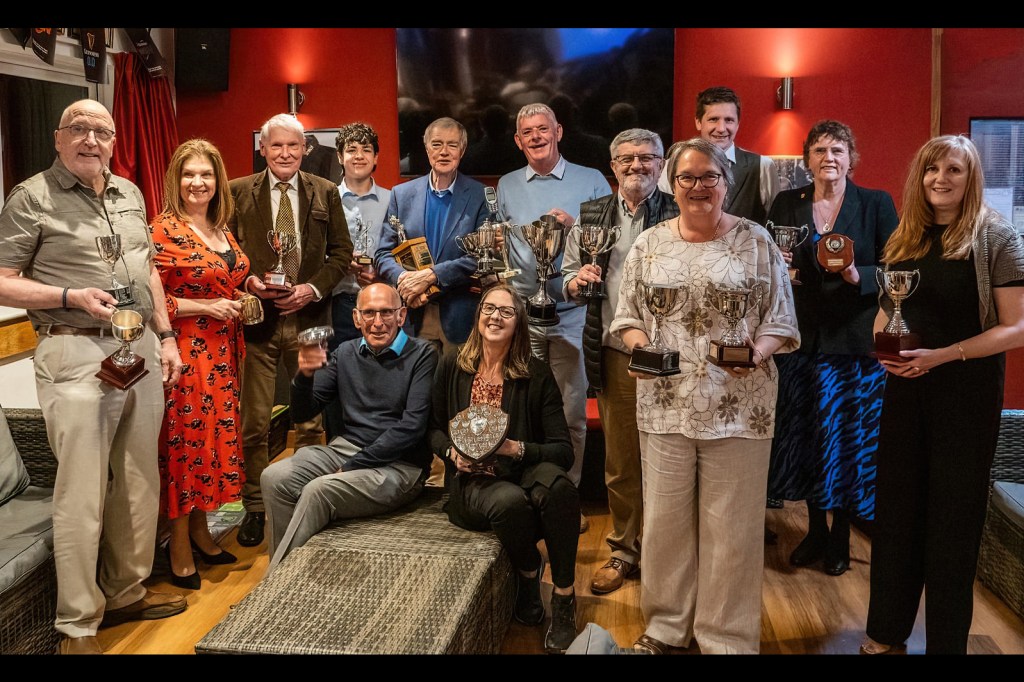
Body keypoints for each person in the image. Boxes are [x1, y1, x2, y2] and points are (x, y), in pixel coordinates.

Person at [0, 99, 187, 654]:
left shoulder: (129, 192)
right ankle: (77, 625)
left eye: (101, 131)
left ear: (113, 141)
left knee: (138, 481)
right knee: (81, 493)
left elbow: (147, 268)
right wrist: (68, 296)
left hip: (139, 348)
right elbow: (2, 279)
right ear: (58, 138)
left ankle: (125, 592)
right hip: (75, 350)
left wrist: (166, 335)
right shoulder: (32, 196)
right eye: (78, 129)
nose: (90, 139)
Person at [610, 137, 799, 654]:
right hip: (665, 403)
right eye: (687, 178)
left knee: (732, 529)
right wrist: (643, 349)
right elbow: (627, 318)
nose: (698, 187)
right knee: (665, 525)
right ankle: (667, 628)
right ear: (672, 186)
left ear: (725, 183)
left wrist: (757, 353)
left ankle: (726, 639)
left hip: (741, 405)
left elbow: (782, 320)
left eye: (708, 177)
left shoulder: (756, 241)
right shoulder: (650, 243)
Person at [862, 135, 1024, 655]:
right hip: (906, 389)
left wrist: (942, 356)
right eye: (932, 169)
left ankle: (946, 644)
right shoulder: (906, 235)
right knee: (897, 512)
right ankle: (885, 632)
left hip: (966, 394)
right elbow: (888, 311)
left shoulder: (996, 236)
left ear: (971, 177)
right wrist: (883, 350)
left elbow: (1016, 327)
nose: (941, 179)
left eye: (954, 169)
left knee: (953, 520)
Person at [765, 121, 898, 576]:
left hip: (853, 345)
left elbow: (899, 267)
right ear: (807, 159)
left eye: (838, 150)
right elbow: (769, 259)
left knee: (845, 441)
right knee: (805, 437)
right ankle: (815, 531)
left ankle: (841, 533)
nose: (829, 158)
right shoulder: (787, 202)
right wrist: (779, 263)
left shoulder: (876, 203)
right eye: (820, 149)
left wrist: (861, 275)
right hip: (800, 341)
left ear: (850, 157)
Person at [429, 284, 580, 654]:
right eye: (488, 308)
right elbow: (432, 429)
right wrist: (452, 454)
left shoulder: (536, 373)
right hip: (473, 480)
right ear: (478, 314)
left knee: (560, 489)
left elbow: (563, 451)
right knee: (509, 502)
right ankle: (528, 571)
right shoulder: (452, 363)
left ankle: (564, 598)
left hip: (522, 467)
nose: (495, 317)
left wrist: (515, 448)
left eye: (506, 311)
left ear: (519, 323)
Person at [562, 128, 679, 595]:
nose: (636, 166)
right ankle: (624, 550)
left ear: (661, 164)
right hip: (615, 353)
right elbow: (567, 277)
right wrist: (575, 283)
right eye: (626, 158)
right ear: (612, 166)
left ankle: (666, 553)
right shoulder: (591, 215)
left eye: (647, 158)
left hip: (675, 356)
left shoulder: (681, 209)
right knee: (622, 461)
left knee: (673, 457)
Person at [228, 113, 352, 548]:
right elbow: (226, 252)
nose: (285, 153)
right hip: (257, 326)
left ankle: (304, 499)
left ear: (305, 149)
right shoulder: (237, 191)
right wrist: (247, 281)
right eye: (276, 146)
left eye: (293, 146)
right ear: (262, 149)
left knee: (311, 419)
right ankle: (255, 507)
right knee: (254, 423)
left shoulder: (326, 191)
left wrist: (311, 289)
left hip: (310, 324)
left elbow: (342, 252)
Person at [262, 283, 437, 573]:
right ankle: (287, 575)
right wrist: (304, 375)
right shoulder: (345, 352)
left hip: (401, 465)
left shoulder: (423, 354)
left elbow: (411, 427)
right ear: (356, 318)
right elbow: (304, 413)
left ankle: (274, 584)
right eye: (369, 313)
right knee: (274, 477)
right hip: (347, 451)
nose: (377, 322)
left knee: (319, 490)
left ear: (402, 315)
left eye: (386, 312)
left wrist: (354, 465)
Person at [496, 103, 612, 530]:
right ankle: (529, 493)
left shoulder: (592, 179)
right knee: (520, 408)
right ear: (517, 140)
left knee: (572, 412)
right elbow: (501, 245)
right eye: (527, 132)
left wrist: (576, 223)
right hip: (522, 317)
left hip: (572, 314)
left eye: (543, 129)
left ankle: (566, 497)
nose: (536, 137)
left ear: (558, 131)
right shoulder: (506, 185)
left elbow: (608, 240)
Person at [149, 138, 249, 590]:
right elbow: (151, 299)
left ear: (217, 180)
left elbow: (224, 279)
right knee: (186, 449)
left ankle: (202, 532)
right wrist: (205, 307)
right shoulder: (162, 230)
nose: (197, 182)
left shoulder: (219, 226)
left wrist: (246, 290)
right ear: (176, 179)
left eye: (206, 174)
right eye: (189, 174)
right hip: (185, 354)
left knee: (211, 446)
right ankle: (178, 547)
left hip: (224, 353)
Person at [375, 116, 489, 354]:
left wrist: (431, 276)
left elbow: (481, 257)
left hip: (459, 317)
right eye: (437, 144)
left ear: (462, 150)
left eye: (452, 145)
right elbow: (383, 253)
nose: (444, 152)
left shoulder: (481, 195)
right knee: (416, 379)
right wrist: (405, 280)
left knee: (457, 379)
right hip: (412, 312)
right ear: (427, 149)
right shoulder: (401, 194)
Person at [324, 123, 392, 441]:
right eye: (351, 149)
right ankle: (339, 449)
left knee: (383, 380)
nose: (359, 156)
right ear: (340, 156)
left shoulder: (393, 200)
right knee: (338, 380)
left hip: (383, 306)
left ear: (376, 157)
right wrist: (338, 263)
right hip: (339, 303)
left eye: (366, 149)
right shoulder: (325, 199)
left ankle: (383, 448)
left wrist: (382, 274)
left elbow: (402, 249)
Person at [659, 86, 779, 225]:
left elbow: (775, 222)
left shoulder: (762, 166)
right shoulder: (672, 166)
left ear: (737, 124)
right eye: (713, 119)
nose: (721, 128)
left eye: (729, 120)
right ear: (698, 122)